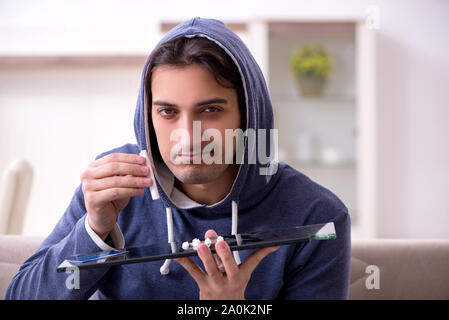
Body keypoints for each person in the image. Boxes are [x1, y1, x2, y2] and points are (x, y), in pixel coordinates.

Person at [5, 17, 350, 300]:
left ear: (248, 115)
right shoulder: (114, 187)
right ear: (148, 118)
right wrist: (95, 231)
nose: (188, 135)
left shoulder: (316, 216)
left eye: (211, 110)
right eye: (168, 112)